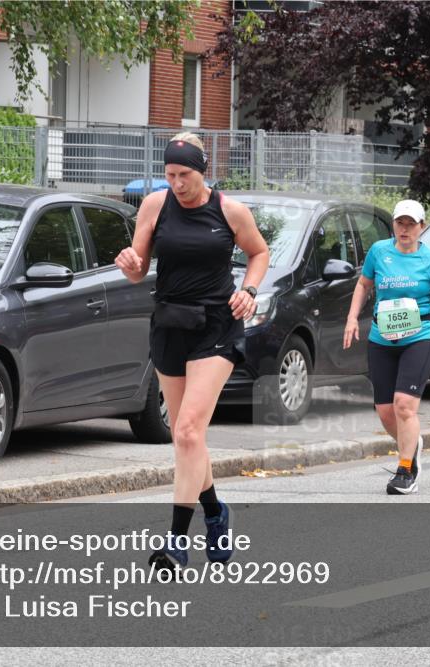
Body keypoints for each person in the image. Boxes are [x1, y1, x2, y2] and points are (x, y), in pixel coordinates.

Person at [115, 132, 269, 569]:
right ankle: (217, 513)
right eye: (170, 175)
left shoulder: (229, 211)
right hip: (169, 324)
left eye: (184, 175)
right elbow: (139, 268)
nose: (177, 183)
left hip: (216, 327)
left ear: (202, 173)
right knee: (190, 439)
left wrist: (250, 290)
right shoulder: (154, 205)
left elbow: (259, 252)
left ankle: (176, 542)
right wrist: (130, 265)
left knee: (185, 431)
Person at [343, 199, 430, 494]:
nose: (405, 229)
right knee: (385, 411)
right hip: (382, 339)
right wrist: (352, 318)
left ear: (422, 227)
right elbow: (363, 285)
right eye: (400, 223)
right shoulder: (379, 252)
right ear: (394, 225)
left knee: (404, 406)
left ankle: (406, 469)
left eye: (411, 224)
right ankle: (412, 442)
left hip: (420, 335)